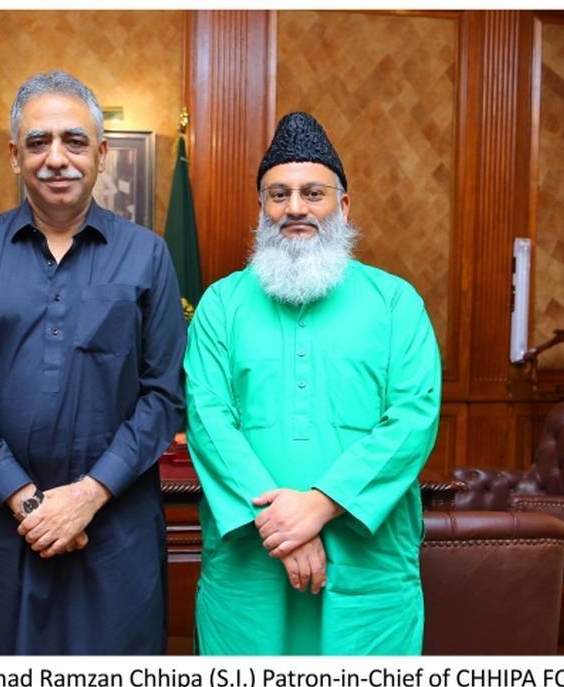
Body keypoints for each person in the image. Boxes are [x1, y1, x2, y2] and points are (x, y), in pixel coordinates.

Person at [0, 70, 186, 655]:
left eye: (74, 141)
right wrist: (29, 502)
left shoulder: (147, 255)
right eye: (38, 142)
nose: (56, 158)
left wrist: (87, 497)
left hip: (114, 526)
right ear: (14, 156)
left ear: (101, 154)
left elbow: (164, 395)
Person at [184, 112, 441, 655]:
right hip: (250, 563)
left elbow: (413, 418)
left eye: (312, 193)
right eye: (278, 195)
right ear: (262, 209)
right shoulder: (220, 305)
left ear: (342, 206)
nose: (295, 208)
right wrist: (282, 527)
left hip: (366, 567)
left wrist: (320, 505)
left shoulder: (396, 303)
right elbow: (208, 422)